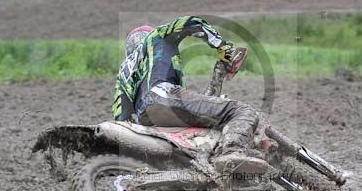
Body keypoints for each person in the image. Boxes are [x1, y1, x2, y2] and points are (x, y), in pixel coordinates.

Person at [112, 17, 268, 174]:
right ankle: (232, 153)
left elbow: (122, 117)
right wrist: (224, 47)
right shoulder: (156, 36)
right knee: (240, 111)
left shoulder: (123, 75)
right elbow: (191, 22)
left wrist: (217, 78)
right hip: (164, 96)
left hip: (148, 120)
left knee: (209, 127)